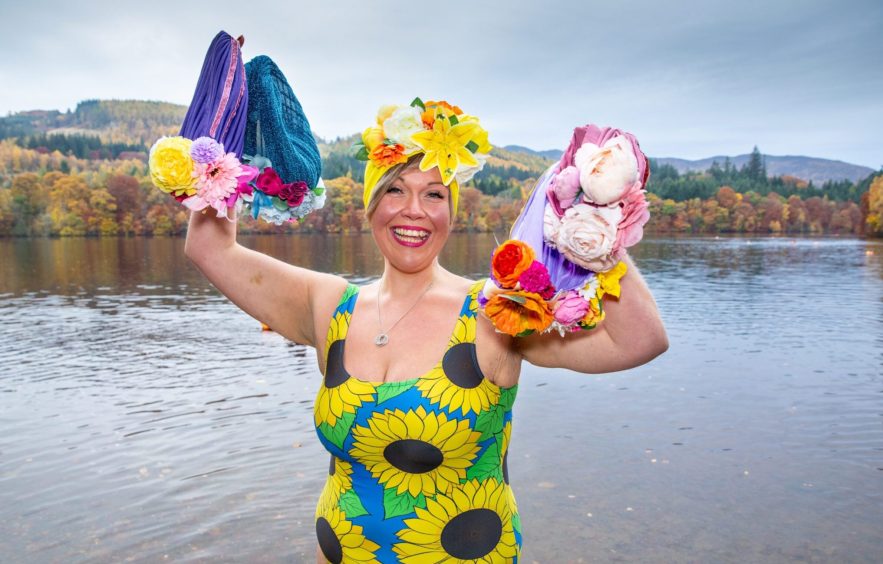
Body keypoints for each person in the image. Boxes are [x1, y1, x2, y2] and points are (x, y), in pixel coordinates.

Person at [183, 98, 667, 562]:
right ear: (370, 206)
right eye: (395, 189)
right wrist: (227, 127)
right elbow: (210, 250)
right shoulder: (329, 306)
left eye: (433, 194)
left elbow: (640, 340)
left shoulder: (496, 312)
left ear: (450, 212)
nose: (413, 209)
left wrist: (599, 229)